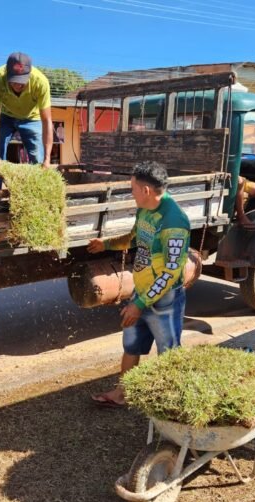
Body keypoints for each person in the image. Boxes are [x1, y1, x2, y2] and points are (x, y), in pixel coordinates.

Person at [88, 161, 191, 408]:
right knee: (132, 344)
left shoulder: (174, 222)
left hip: (164, 301)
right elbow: (134, 238)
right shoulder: (145, 210)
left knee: (169, 353)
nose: (130, 192)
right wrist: (107, 244)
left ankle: (173, 404)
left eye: (132, 188)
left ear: (146, 191)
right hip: (141, 292)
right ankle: (122, 392)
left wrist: (140, 304)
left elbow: (171, 272)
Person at [0, 52, 53, 189]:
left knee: (38, 158)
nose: (17, 85)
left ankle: (38, 193)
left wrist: (47, 159)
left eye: (22, 81)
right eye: (14, 80)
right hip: (5, 115)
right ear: (6, 73)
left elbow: (47, 121)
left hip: (31, 117)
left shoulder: (41, 82)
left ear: (30, 74)